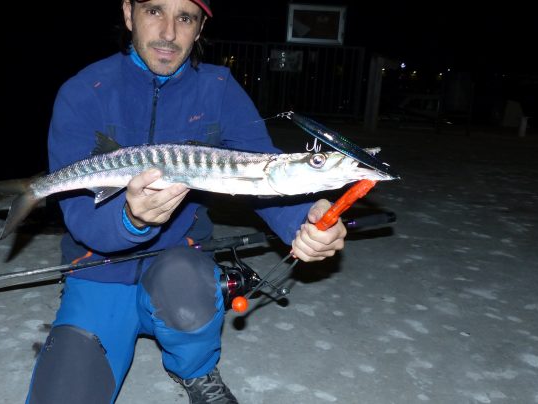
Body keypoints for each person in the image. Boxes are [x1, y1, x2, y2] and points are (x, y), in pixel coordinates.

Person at [25, 0, 348, 403]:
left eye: (185, 17)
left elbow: (260, 176)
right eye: (154, 11)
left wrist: (306, 217)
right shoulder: (82, 91)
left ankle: (194, 369)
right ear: (129, 14)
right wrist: (130, 219)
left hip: (179, 264)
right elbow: (78, 214)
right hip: (98, 267)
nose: (168, 33)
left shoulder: (220, 89)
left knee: (188, 286)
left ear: (199, 29)